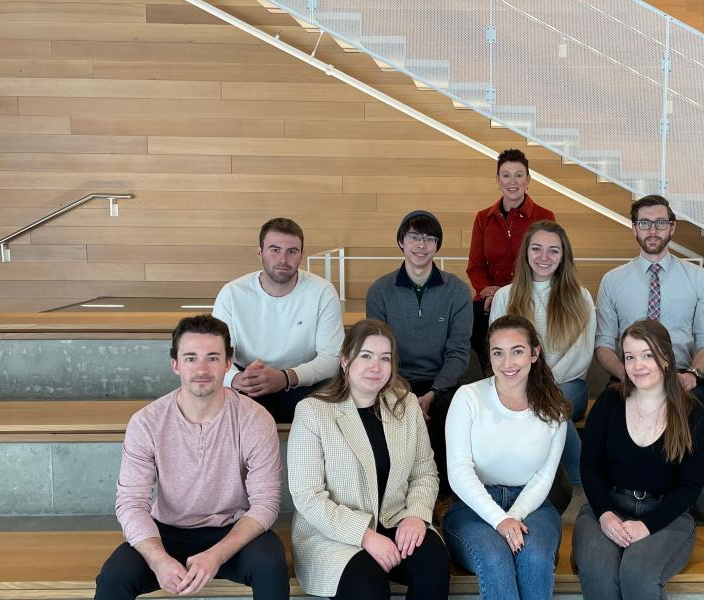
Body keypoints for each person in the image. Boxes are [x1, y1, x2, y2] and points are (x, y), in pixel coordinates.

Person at [95, 315, 287, 599]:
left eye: (212, 357)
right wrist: (158, 559)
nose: (201, 369)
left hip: (232, 530)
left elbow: (266, 503)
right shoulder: (147, 422)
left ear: (227, 363)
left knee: (270, 567)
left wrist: (217, 555)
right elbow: (131, 503)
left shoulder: (255, 419)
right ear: (175, 364)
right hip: (168, 532)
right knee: (114, 578)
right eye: (190, 358)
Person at [287, 319, 450, 600]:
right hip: (334, 534)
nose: (376, 367)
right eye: (366, 356)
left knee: (434, 563)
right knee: (368, 587)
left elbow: (424, 472)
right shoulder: (313, 411)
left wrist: (416, 514)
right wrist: (365, 535)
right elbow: (307, 496)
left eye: (384, 358)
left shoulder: (407, 404)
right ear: (345, 361)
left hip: (396, 519)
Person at [573, 319, 704, 600]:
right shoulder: (609, 402)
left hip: (665, 515)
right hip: (609, 507)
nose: (638, 366)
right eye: (629, 357)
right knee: (600, 574)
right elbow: (590, 468)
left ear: (665, 357)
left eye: (647, 355)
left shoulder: (692, 412)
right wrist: (605, 514)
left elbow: (689, 486)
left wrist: (648, 525)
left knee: (638, 575)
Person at [443, 315, 571, 600]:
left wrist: (513, 517)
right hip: (473, 508)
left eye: (517, 351)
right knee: (495, 558)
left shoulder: (555, 408)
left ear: (534, 353)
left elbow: (545, 476)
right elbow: (459, 471)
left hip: (532, 506)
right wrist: (499, 520)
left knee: (535, 557)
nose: (507, 363)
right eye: (497, 353)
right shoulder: (468, 397)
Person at [366, 210, 473, 496]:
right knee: (383, 409)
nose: (421, 244)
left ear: (437, 245)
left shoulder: (458, 291)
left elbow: (459, 352)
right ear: (401, 241)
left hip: (441, 383)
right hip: (393, 381)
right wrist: (404, 393)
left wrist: (433, 393)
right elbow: (378, 351)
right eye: (414, 236)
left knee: (449, 413)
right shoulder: (380, 291)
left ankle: (444, 498)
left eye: (429, 238)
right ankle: (390, 495)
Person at [489, 220, 595, 487]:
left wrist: (542, 383)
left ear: (563, 257)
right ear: (526, 253)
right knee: (544, 405)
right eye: (536, 249)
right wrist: (524, 383)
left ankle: (584, 483)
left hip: (568, 385)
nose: (544, 257)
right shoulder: (505, 296)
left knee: (554, 403)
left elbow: (581, 354)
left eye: (553, 251)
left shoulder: (580, 297)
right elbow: (498, 351)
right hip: (516, 384)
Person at [214, 217, 344, 422]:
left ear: (301, 255)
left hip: (302, 382)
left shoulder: (322, 291)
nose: (283, 259)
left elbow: (331, 358)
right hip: (246, 381)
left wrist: (285, 378)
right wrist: (236, 379)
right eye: (275, 250)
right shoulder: (232, 293)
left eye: (291, 251)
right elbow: (216, 353)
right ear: (260, 252)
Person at [595, 195, 704, 407]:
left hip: (680, 375)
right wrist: (625, 374)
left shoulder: (699, 278)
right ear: (634, 228)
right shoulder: (612, 281)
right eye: (644, 223)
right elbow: (603, 345)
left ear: (672, 228)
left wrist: (692, 374)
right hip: (630, 372)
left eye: (660, 223)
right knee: (606, 410)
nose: (652, 231)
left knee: (697, 411)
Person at [467, 148, 557, 372]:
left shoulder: (545, 217)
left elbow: (550, 261)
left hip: (531, 291)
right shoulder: (483, 218)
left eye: (519, 174)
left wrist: (510, 292)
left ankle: (534, 372)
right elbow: (475, 266)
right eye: (506, 175)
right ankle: (494, 372)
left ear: (528, 180)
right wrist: (490, 292)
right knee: (469, 318)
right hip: (490, 297)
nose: (512, 181)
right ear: (497, 180)